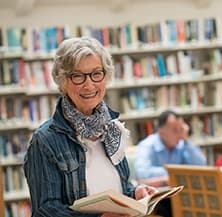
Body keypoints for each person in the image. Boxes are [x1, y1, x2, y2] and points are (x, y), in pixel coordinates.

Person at [23, 36, 157, 217]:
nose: (89, 84)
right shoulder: (45, 140)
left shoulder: (113, 130)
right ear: (63, 83)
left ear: (105, 76)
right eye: (78, 76)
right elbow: (45, 210)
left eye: (96, 73)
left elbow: (118, 189)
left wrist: (135, 193)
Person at [134, 110, 207, 217]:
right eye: (175, 130)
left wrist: (186, 140)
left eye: (181, 129)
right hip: (158, 198)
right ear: (161, 131)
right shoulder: (147, 145)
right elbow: (142, 173)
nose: (180, 134)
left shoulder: (182, 144)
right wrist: (174, 173)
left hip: (181, 195)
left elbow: (201, 165)